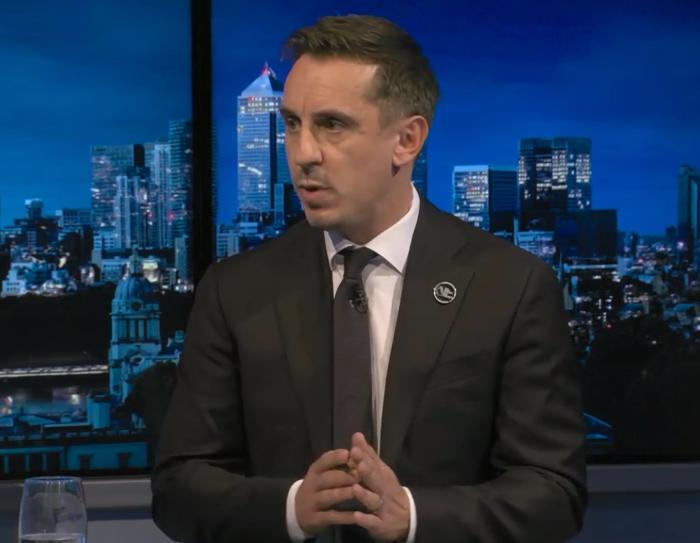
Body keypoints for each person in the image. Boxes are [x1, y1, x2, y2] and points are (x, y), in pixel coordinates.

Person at [152, 14, 587, 543]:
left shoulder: (510, 286)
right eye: (292, 124)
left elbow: (553, 493)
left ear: (407, 139)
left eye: (332, 125)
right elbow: (178, 488)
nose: (303, 153)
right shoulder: (235, 290)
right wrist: (291, 508)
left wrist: (413, 516)